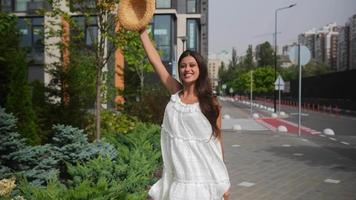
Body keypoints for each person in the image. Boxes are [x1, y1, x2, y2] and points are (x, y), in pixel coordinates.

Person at [140, 29, 231, 200]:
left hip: (202, 179)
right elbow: (156, 62)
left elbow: (217, 144)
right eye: (183, 66)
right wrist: (142, 32)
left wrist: (222, 181)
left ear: (200, 69)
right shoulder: (176, 93)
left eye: (191, 65)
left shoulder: (210, 103)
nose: (187, 69)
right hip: (178, 177)